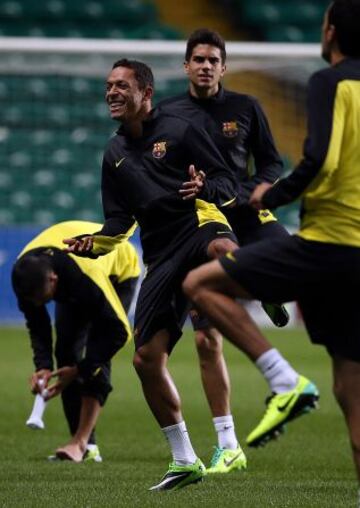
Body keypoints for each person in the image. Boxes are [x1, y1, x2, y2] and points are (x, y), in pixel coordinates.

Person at [183, 0, 360, 484]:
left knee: (201, 285)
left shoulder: (330, 81)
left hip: (328, 239)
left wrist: (272, 192)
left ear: (330, 31)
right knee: (350, 385)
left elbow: (318, 157)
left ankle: (284, 380)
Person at [64, 58, 242, 490]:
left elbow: (227, 182)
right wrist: (96, 242)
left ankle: (262, 282)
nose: (111, 92)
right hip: (160, 255)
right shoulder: (114, 154)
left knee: (221, 248)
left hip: (198, 224)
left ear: (146, 92)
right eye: (108, 86)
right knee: (145, 359)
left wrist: (206, 188)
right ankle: (184, 459)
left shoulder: (182, 129)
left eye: (121, 85)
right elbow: (118, 222)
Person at [158, 28, 319, 461]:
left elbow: (271, 161)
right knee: (206, 341)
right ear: (186, 66)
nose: (206, 66)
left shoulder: (246, 107)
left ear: (224, 67)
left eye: (214, 60)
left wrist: (256, 188)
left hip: (246, 211)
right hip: (200, 222)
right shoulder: (168, 113)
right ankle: (228, 445)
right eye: (199, 59)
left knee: (290, 273)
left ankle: (264, 291)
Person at [12, 220, 140, 463]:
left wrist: (81, 369)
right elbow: (37, 325)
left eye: (43, 298)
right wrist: (43, 366)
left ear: (52, 280)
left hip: (117, 271)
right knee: (65, 352)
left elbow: (119, 331)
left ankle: (81, 442)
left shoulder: (84, 277)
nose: (39, 304)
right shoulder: (25, 277)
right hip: (71, 274)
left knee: (96, 351)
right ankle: (84, 445)